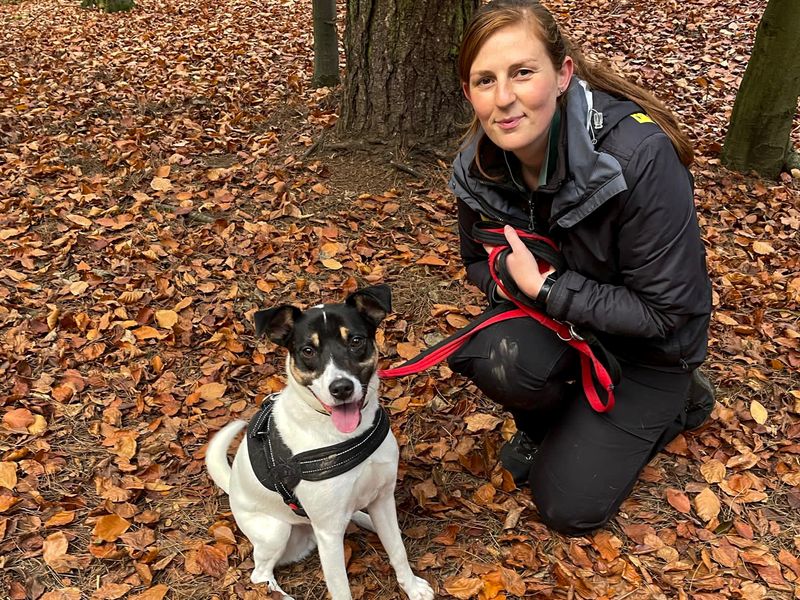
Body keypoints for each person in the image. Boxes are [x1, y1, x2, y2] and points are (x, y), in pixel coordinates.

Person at [447, 0, 714, 535]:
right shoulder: (479, 164)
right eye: (485, 80)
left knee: (567, 506)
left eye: (523, 73)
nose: (504, 99)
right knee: (491, 354)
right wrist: (509, 278)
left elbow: (667, 312)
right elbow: (478, 261)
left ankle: (684, 399)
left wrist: (547, 288)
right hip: (570, 329)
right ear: (468, 92)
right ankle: (554, 419)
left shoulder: (639, 158)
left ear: (563, 73)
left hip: (651, 351)